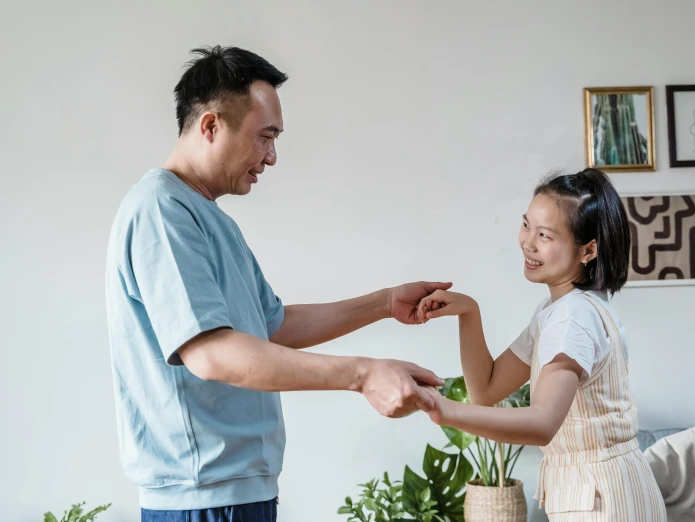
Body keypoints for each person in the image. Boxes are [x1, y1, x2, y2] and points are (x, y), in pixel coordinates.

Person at [105, 45, 447, 522]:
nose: (272, 157)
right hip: (202, 498)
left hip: (238, 491)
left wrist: (384, 302)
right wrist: (362, 373)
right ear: (210, 126)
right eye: (265, 137)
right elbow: (211, 353)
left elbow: (272, 324)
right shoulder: (161, 211)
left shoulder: (208, 217)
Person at [417, 169, 666, 520]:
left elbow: (543, 422)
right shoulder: (561, 310)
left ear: (588, 249)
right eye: (526, 225)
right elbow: (485, 390)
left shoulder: (572, 317)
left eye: (545, 235)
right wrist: (469, 314)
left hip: (602, 500)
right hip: (607, 489)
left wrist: (443, 409)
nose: (528, 243)